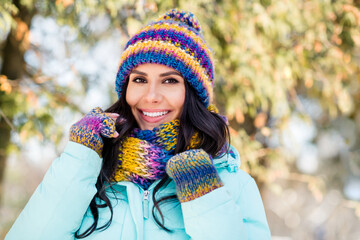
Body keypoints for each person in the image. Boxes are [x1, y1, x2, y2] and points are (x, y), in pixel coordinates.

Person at [5, 9, 271, 240]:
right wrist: (80, 157)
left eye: (170, 81)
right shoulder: (92, 172)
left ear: (193, 93)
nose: (151, 96)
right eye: (140, 80)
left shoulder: (232, 183)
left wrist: (204, 195)